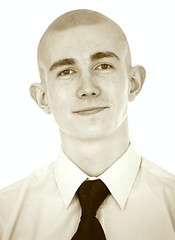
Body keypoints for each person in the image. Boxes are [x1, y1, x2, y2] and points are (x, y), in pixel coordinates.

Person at [0, 9, 175, 240]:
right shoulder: (5, 215)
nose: (87, 88)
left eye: (103, 66)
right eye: (66, 71)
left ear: (133, 83)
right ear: (43, 98)